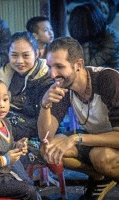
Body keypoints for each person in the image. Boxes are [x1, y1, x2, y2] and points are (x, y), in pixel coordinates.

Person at [38, 37, 119, 200]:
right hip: (96, 142)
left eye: (59, 67)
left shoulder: (107, 79)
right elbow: (45, 137)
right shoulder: (62, 87)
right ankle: (100, 177)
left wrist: (76, 138)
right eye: (49, 67)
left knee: (100, 157)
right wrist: (45, 104)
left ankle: (105, 173)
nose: (53, 74)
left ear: (78, 65)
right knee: (47, 148)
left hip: (112, 143)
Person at [0, 31, 53, 141]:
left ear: (37, 54)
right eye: (14, 55)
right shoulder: (4, 75)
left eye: (26, 55)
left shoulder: (46, 79)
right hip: (8, 121)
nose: (19, 61)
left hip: (35, 129)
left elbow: (40, 122)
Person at [68, 2, 119, 71]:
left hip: (113, 76)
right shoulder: (90, 35)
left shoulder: (111, 38)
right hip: (99, 73)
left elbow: (89, 66)